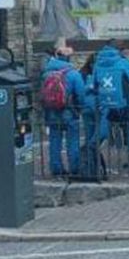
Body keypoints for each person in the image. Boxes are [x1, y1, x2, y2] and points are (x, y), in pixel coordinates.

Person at [41, 45, 87, 177]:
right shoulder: (73, 73)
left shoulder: (46, 74)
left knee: (55, 140)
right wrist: (79, 109)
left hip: (52, 112)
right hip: (69, 111)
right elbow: (80, 93)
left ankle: (56, 168)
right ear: (68, 58)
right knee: (72, 140)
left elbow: (43, 94)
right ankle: (74, 168)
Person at [93, 39, 129, 154]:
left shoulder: (98, 62)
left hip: (105, 101)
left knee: (102, 130)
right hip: (123, 101)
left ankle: (91, 150)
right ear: (120, 50)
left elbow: (94, 83)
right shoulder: (122, 62)